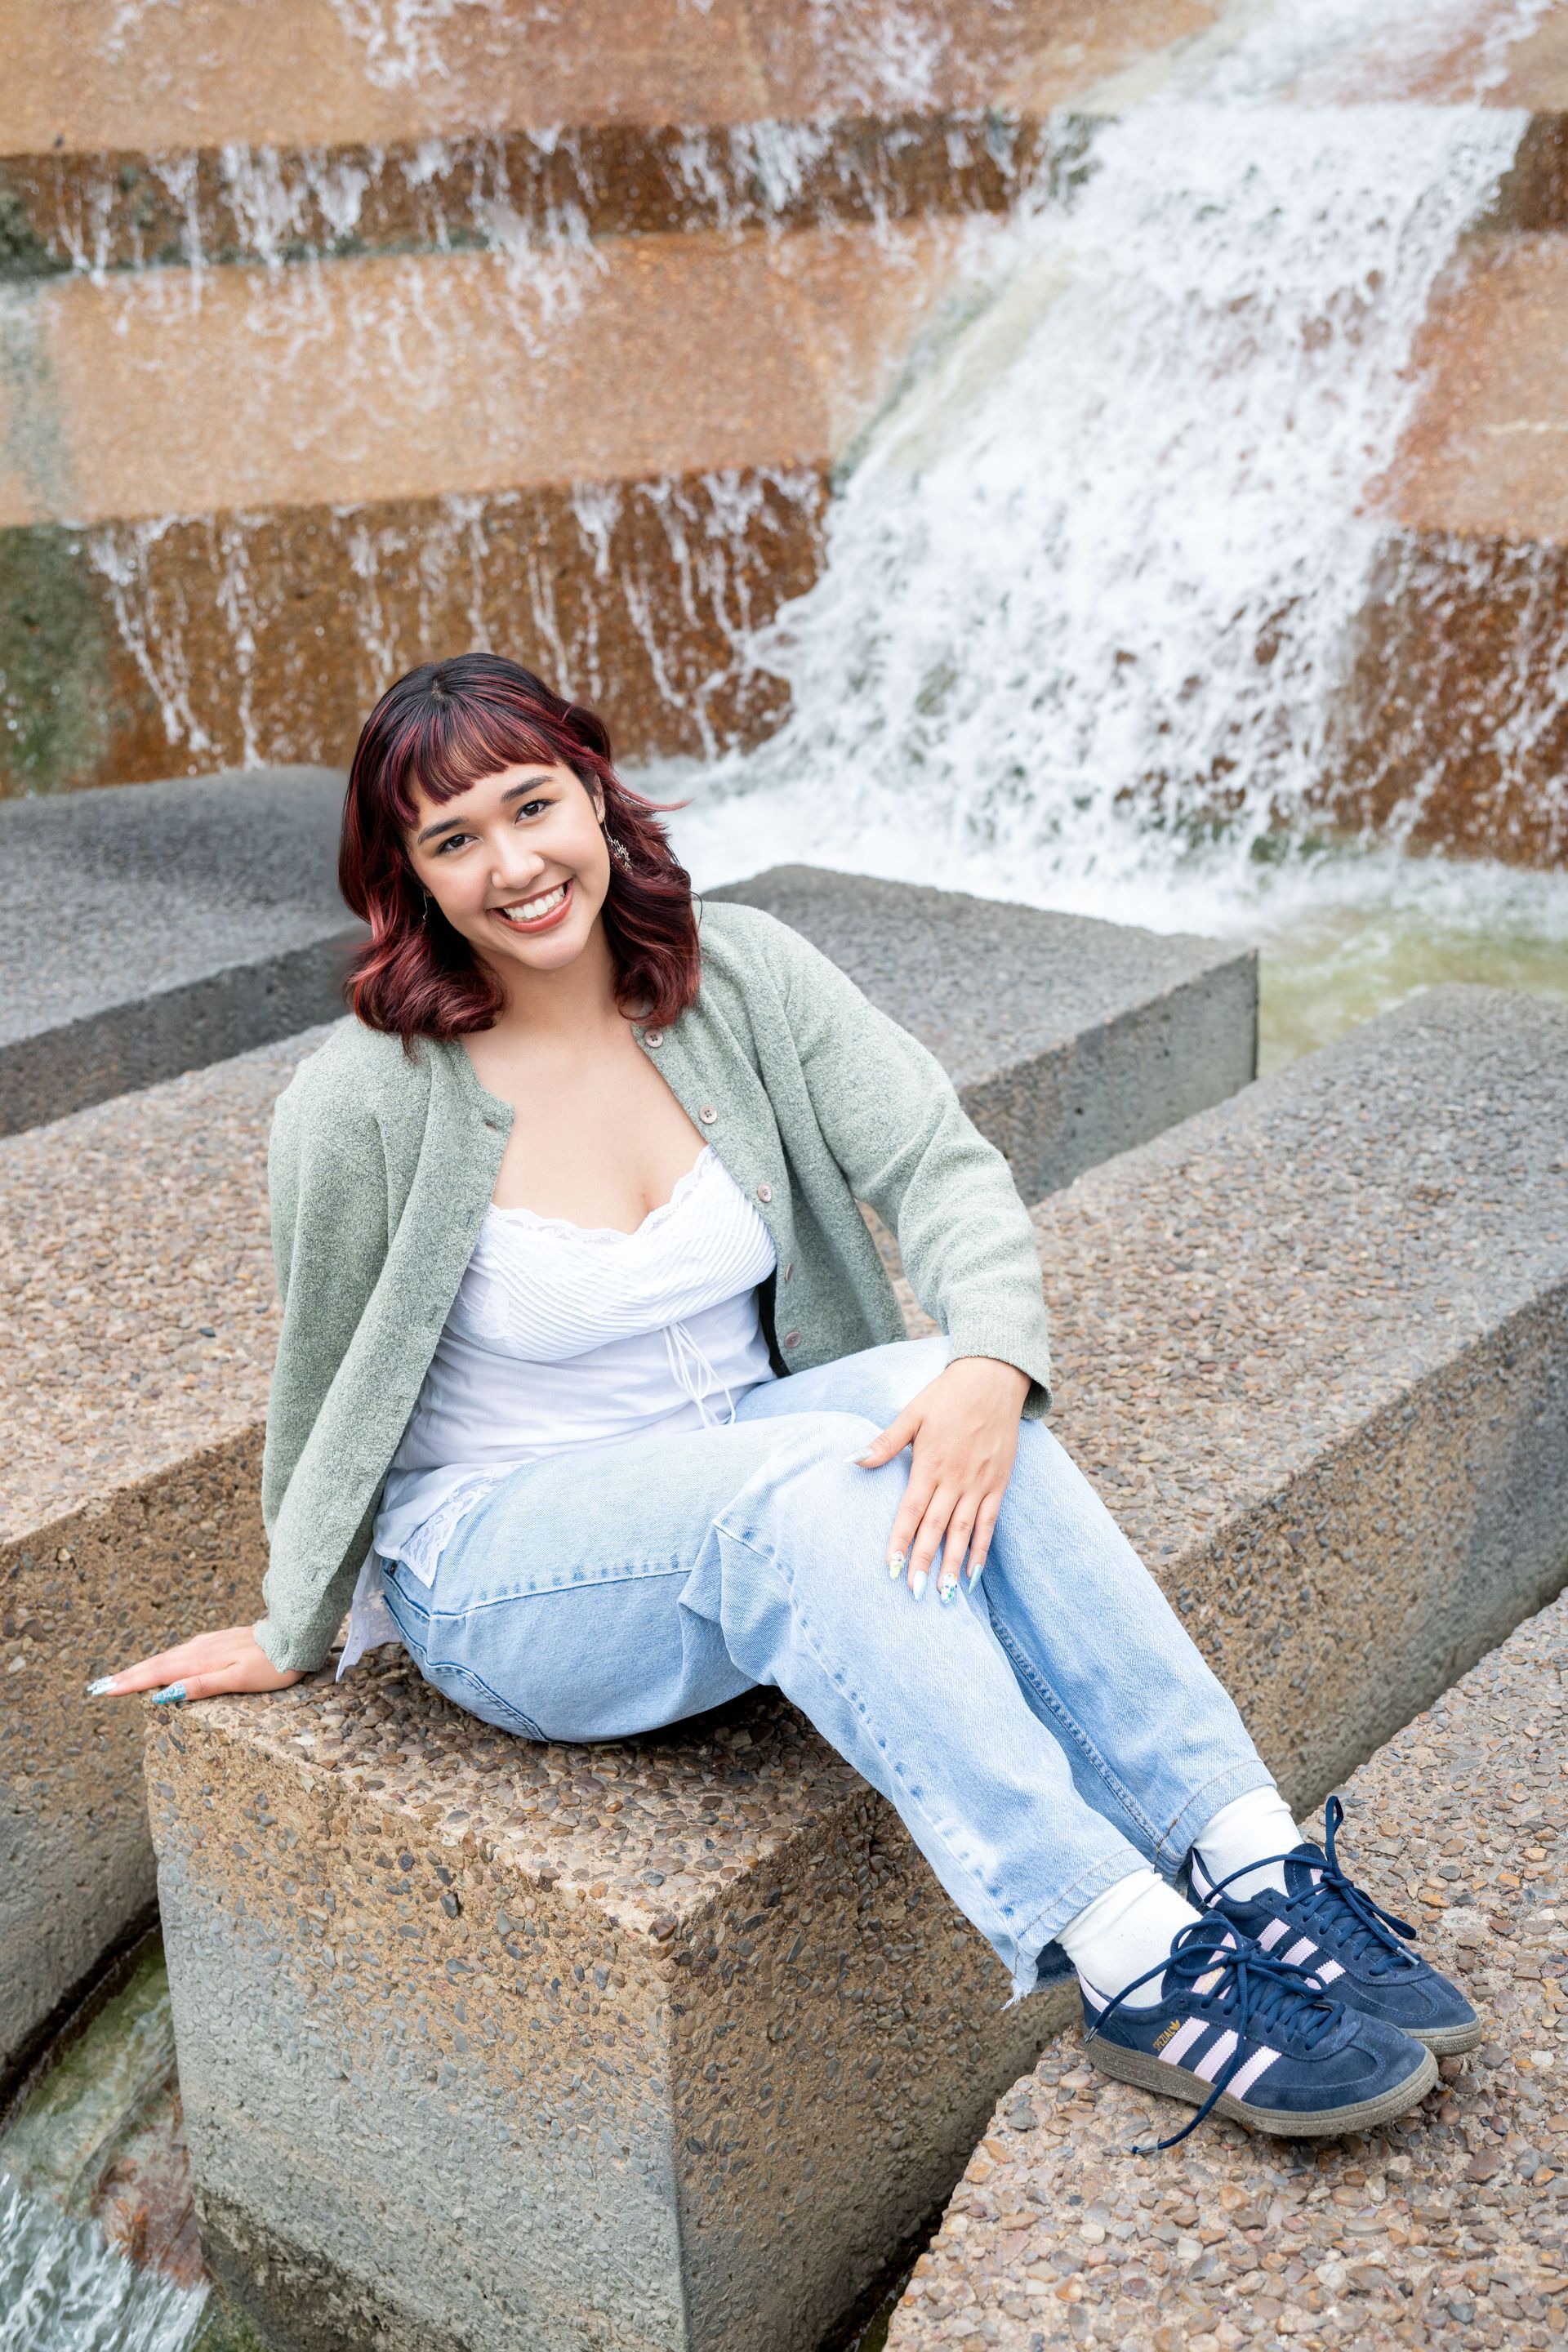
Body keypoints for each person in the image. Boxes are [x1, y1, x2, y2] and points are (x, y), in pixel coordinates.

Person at [93, 653, 1479, 2148]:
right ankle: (1132, 1957)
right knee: (815, 1480)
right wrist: (297, 1624)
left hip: (739, 1478)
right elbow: (320, 1387)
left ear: (595, 799)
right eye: (452, 841)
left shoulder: (737, 974)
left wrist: (991, 1364)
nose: (512, 865)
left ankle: (1252, 1858)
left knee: (924, 1389)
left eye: (530, 806)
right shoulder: (363, 1101)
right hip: (506, 1570)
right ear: (408, 879)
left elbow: (940, 1170)